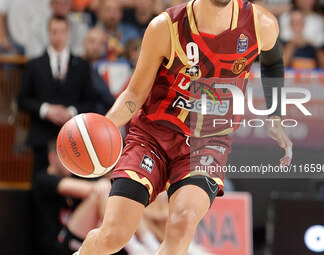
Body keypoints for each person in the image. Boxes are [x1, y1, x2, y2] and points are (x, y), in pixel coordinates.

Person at [76, 0, 293, 254]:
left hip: (208, 143)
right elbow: (134, 94)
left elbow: (273, 62)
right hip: (153, 136)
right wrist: (104, 128)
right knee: (113, 236)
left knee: (183, 222)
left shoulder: (260, 25)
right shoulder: (165, 28)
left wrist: (275, 116)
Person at [18, 15, 94, 175]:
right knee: (40, 181)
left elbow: (91, 101)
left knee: (75, 182)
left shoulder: (82, 66)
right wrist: (46, 110)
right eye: (54, 31)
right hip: (42, 134)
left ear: (68, 32)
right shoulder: (34, 65)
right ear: (48, 33)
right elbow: (22, 100)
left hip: (73, 136)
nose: (58, 35)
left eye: (62, 31)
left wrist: (71, 112)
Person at [33, 141, 115, 255]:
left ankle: (143, 243)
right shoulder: (43, 179)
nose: (70, 162)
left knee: (130, 203)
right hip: (57, 244)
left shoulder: (74, 176)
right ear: (52, 157)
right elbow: (84, 188)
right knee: (101, 192)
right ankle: (128, 246)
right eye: (65, 158)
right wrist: (103, 183)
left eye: (72, 157)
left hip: (78, 238)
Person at [82, 28, 115, 115]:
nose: (96, 47)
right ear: (84, 42)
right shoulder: (73, 65)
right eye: (92, 41)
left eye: (101, 43)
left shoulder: (101, 69)